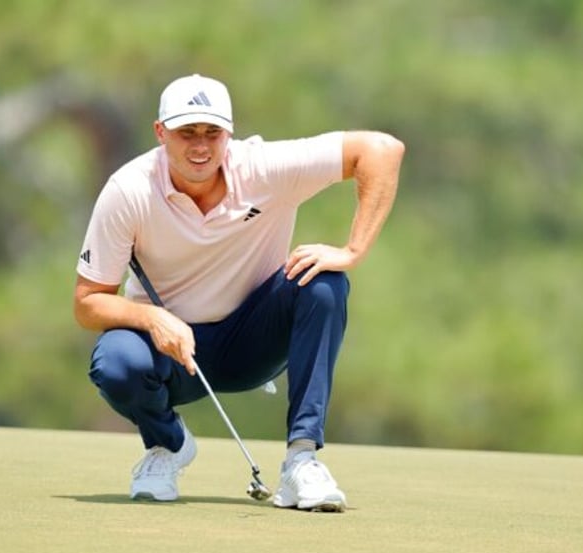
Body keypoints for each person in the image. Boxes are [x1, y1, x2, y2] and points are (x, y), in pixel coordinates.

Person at [73, 73, 404, 512]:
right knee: (115, 362)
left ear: (229, 132)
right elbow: (88, 302)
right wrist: (153, 318)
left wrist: (353, 250)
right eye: (186, 132)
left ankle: (301, 461)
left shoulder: (264, 167)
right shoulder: (128, 190)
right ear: (160, 132)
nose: (200, 146)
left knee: (324, 283)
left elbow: (382, 150)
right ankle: (168, 445)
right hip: (173, 352)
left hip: (254, 340)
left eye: (213, 133)